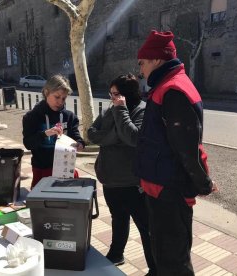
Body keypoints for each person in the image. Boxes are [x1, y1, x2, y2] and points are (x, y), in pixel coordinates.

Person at [135, 30, 218, 275]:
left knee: (173, 260)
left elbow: (187, 149)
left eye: (142, 63)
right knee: (165, 254)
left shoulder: (173, 90)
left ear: (156, 60)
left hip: (169, 190)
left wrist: (203, 183)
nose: (140, 70)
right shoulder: (166, 86)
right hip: (161, 187)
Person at [87, 74, 156, 275]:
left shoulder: (142, 110)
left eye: (116, 94)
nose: (112, 98)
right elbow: (91, 133)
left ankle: (155, 268)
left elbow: (133, 138)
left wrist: (120, 111)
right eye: (111, 94)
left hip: (134, 183)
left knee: (146, 228)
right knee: (118, 220)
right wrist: (114, 136)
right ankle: (116, 253)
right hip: (110, 180)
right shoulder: (109, 110)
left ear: (127, 94)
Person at [22, 74, 85, 188]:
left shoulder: (69, 117)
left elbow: (75, 135)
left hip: (65, 168)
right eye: (57, 97)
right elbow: (28, 143)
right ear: (46, 93)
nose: (60, 101)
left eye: (64, 98)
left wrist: (80, 143)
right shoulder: (32, 117)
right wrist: (45, 134)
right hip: (41, 167)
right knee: (42, 201)